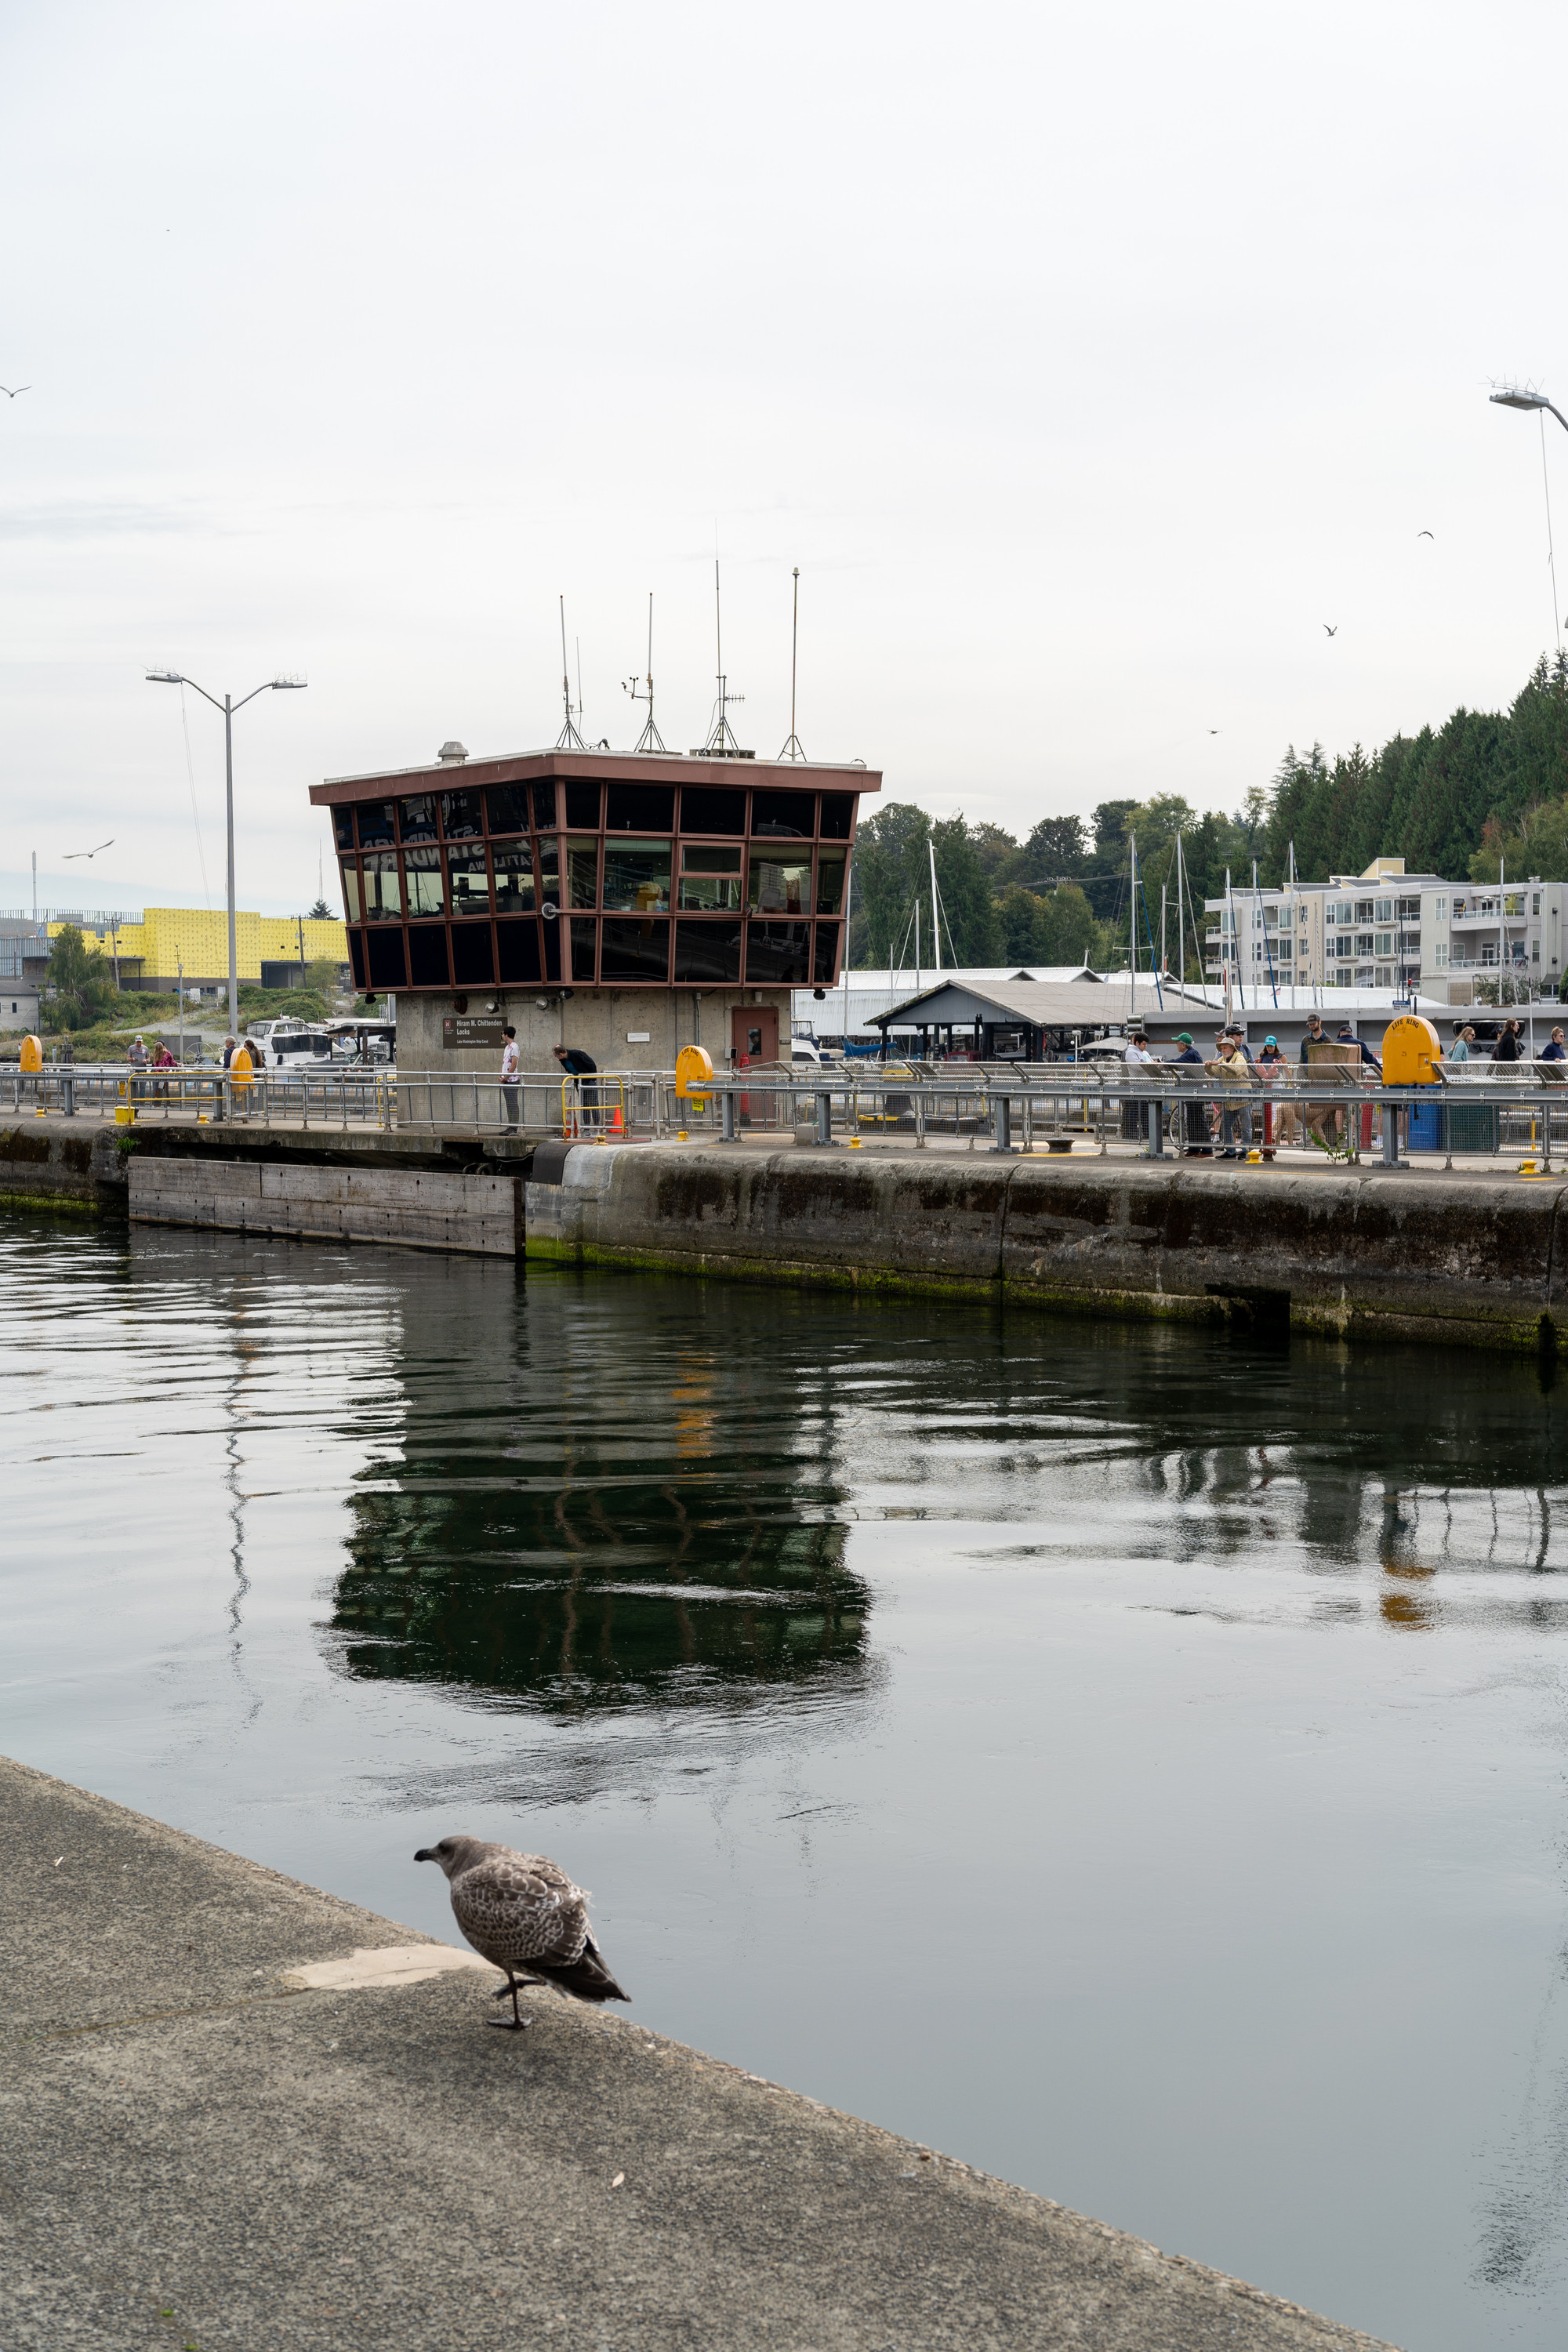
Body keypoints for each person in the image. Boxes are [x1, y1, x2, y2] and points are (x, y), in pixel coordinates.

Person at [1207, 1032, 1254, 1158]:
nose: (1222, 1050)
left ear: (1232, 1049)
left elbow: (1237, 1070)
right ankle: (1230, 1151)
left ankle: (1245, 1151)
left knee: (1246, 1126)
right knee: (1225, 1124)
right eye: (1221, 1048)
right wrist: (1208, 1066)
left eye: (1225, 1048)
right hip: (1230, 1099)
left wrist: (1220, 1064)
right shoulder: (1222, 1059)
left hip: (1243, 1097)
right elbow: (1215, 1072)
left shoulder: (1240, 1058)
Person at [1167, 1030, 1209, 1154]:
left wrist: (1163, 1063)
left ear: (1183, 1045)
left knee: (1198, 1119)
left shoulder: (1190, 1054)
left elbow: (1178, 1063)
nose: (1176, 1045)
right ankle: (1194, 1148)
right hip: (1193, 1090)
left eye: (1177, 1043)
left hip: (1195, 1090)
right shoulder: (1191, 1053)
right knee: (1192, 1120)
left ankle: (1207, 1149)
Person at [554, 1040, 598, 1134]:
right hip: (579, 1082)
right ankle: (587, 1128)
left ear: (560, 1054)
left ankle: (597, 1128)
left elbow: (591, 1064)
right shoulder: (563, 1060)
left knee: (594, 1104)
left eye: (556, 1056)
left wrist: (593, 1078)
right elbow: (570, 1070)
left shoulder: (577, 1054)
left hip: (589, 1080)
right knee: (584, 1105)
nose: (556, 1058)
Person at [499, 1024, 520, 1133]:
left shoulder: (514, 1047)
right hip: (506, 1080)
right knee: (509, 1104)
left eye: (503, 1034)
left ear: (506, 1034)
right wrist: (501, 1075)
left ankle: (513, 1128)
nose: (502, 1035)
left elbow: (513, 1065)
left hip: (512, 1081)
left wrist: (505, 1077)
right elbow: (505, 1063)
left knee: (513, 1104)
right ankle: (510, 1127)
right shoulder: (507, 1047)